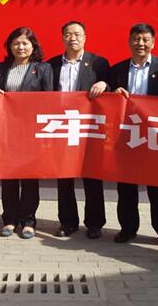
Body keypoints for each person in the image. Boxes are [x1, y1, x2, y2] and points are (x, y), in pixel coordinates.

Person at [109, 23, 158, 249]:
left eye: (145, 39)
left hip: (155, 137)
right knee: (126, 188)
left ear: (153, 42)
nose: (140, 43)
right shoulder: (118, 69)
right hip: (127, 136)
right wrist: (113, 92)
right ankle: (128, 229)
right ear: (129, 41)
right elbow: (108, 96)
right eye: (136, 39)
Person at [47, 21, 110, 239]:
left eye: (77, 34)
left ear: (85, 37)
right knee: (64, 178)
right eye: (67, 34)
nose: (72, 38)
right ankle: (68, 222)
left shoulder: (98, 63)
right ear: (62, 38)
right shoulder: (52, 65)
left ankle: (95, 223)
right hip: (62, 127)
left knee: (92, 177)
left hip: (87, 128)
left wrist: (104, 84)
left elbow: (112, 86)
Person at [0, 27, 54, 239]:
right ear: (10, 46)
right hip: (6, 131)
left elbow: (49, 99)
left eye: (25, 43)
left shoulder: (43, 68)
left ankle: (28, 221)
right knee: (8, 177)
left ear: (33, 46)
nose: (20, 47)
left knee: (29, 178)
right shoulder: (1, 68)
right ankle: (9, 219)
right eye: (16, 43)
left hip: (31, 131)